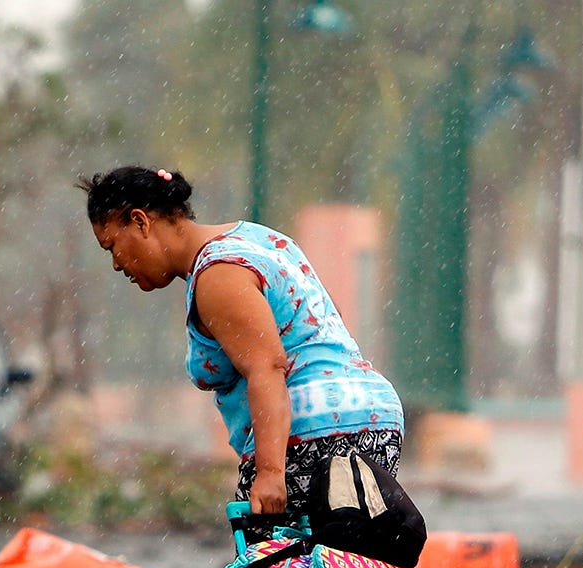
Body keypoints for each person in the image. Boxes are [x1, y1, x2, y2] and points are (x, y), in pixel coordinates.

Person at [78, 165, 406, 529]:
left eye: (112, 245)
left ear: (140, 222)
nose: (115, 263)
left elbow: (267, 366)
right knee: (351, 567)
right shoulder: (259, 239)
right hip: (374, 416)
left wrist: (269, 472)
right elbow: (327, 320)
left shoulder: (217, 273)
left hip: (310, 429)